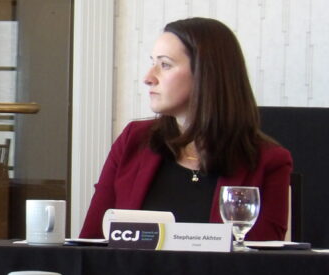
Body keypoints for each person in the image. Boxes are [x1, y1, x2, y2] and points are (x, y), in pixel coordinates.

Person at [80, 17, 292, 240]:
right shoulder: (133, 140)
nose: (148, 78)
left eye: (165, 65)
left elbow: (263, 263)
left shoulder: (269, 161)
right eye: (152, 63)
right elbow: (91, 242)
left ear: (206, 74)